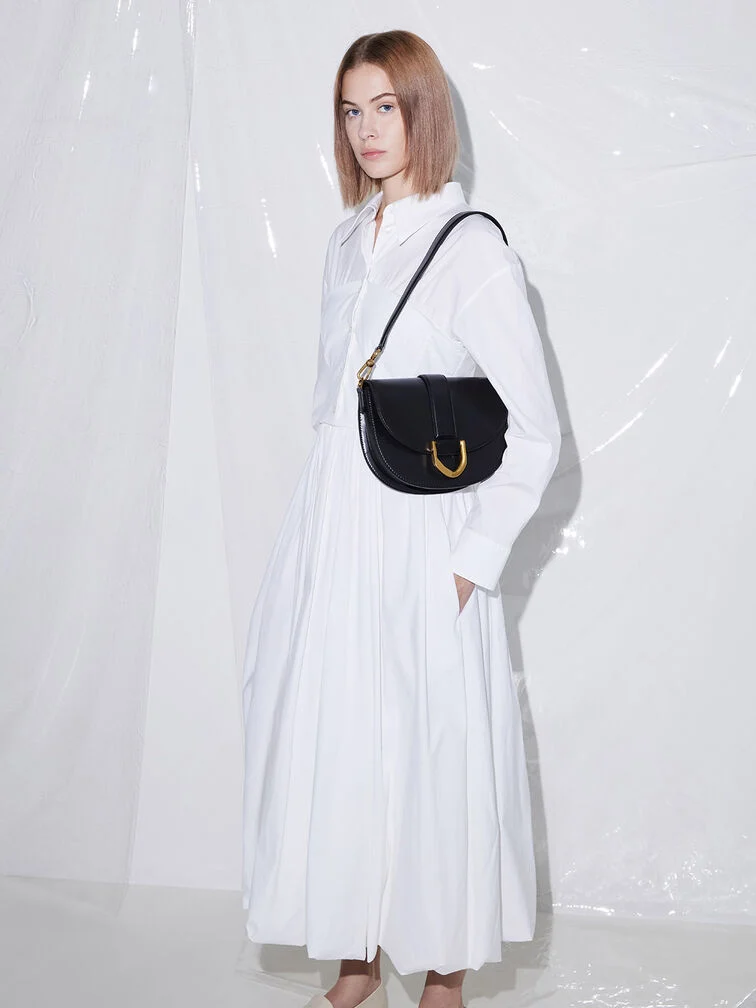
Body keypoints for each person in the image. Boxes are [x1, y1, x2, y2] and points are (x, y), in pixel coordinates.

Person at [241, 29, 562, 1008]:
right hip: (336, 531)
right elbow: (330, 407)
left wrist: (471, 562)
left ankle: (445, 971)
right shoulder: (346, 243)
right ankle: (357, 954)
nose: (366, 129)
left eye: (385, 106)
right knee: (342, 737)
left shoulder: (472, 250)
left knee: (433, 746)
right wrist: (310, 539)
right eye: (352, 110)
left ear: (424, 111)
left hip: (426, 535)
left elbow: (537, 432)